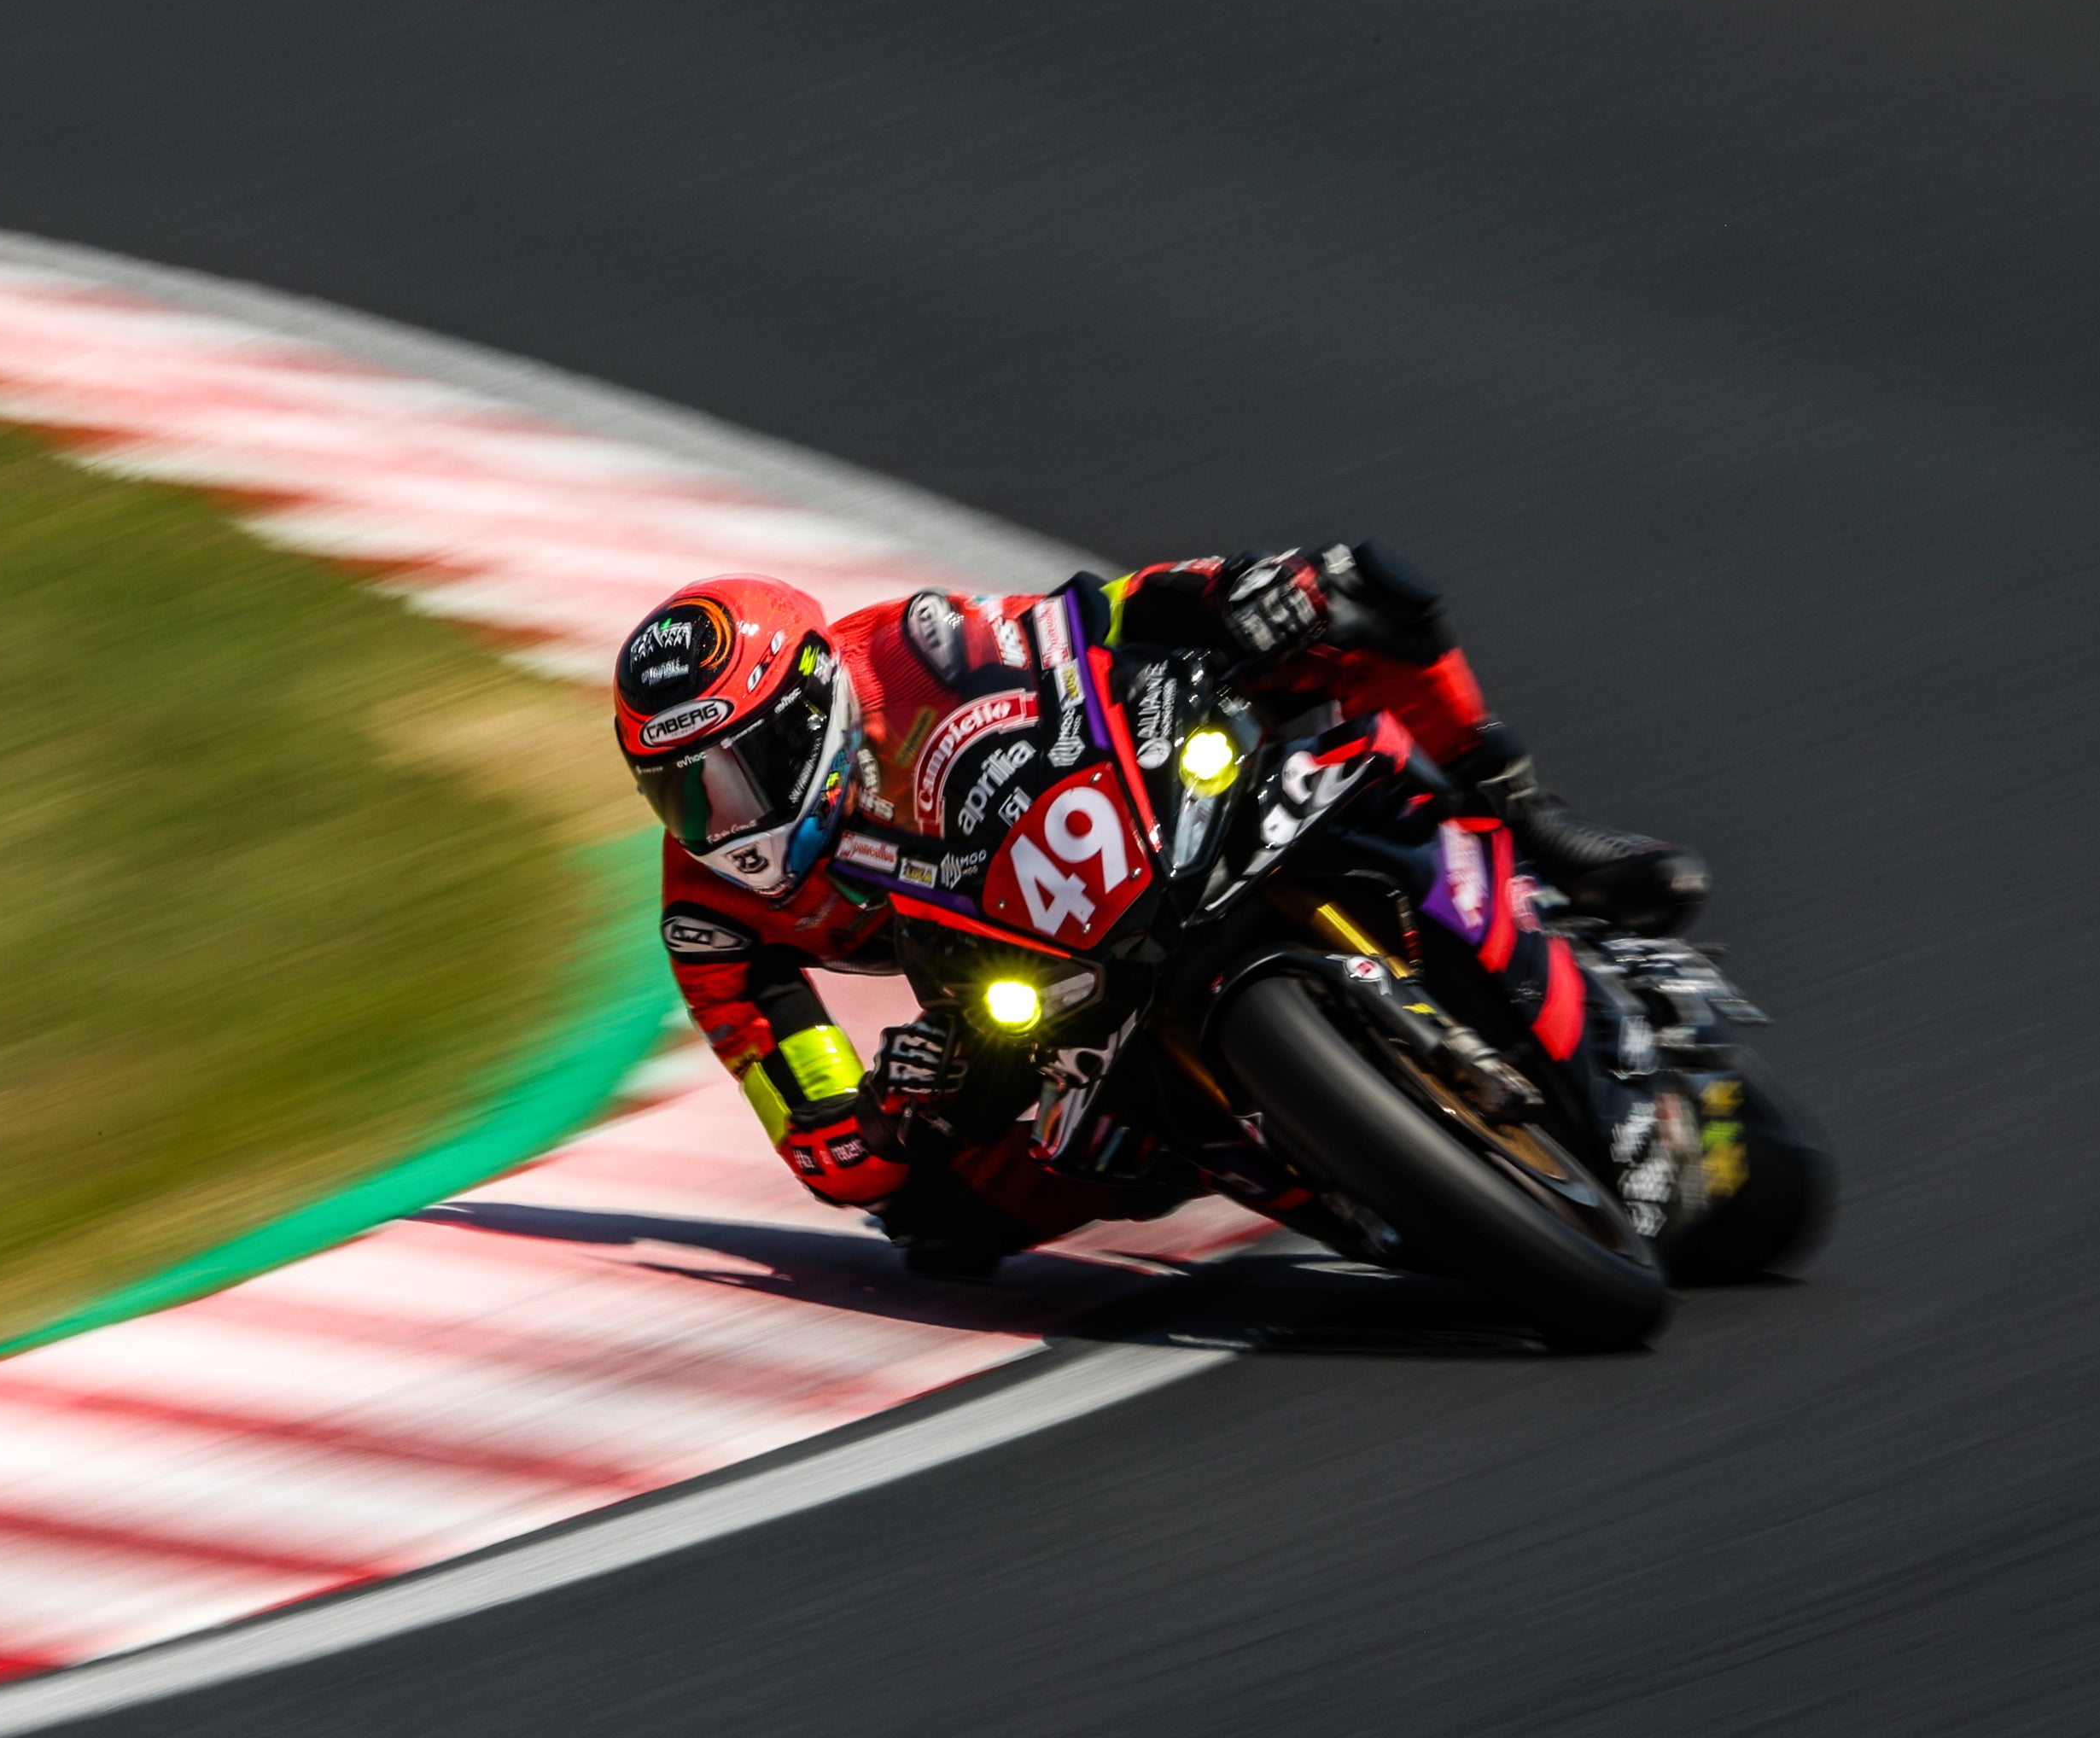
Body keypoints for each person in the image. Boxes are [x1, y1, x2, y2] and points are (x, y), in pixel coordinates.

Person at [612, 543, 1706, 1272]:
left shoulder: (909, 646)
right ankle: (1267, 1147)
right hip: (1007, 992)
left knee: (1358, 589)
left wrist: (1241, 590)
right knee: (935, 1225)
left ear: (812, 709)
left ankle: (1534, 822)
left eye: (739, 774)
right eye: (680, 793)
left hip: (1105, 839)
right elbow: (821, 1140)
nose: (718, 820)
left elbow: (1092, 616)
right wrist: (894, 1109)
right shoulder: (711, 919)